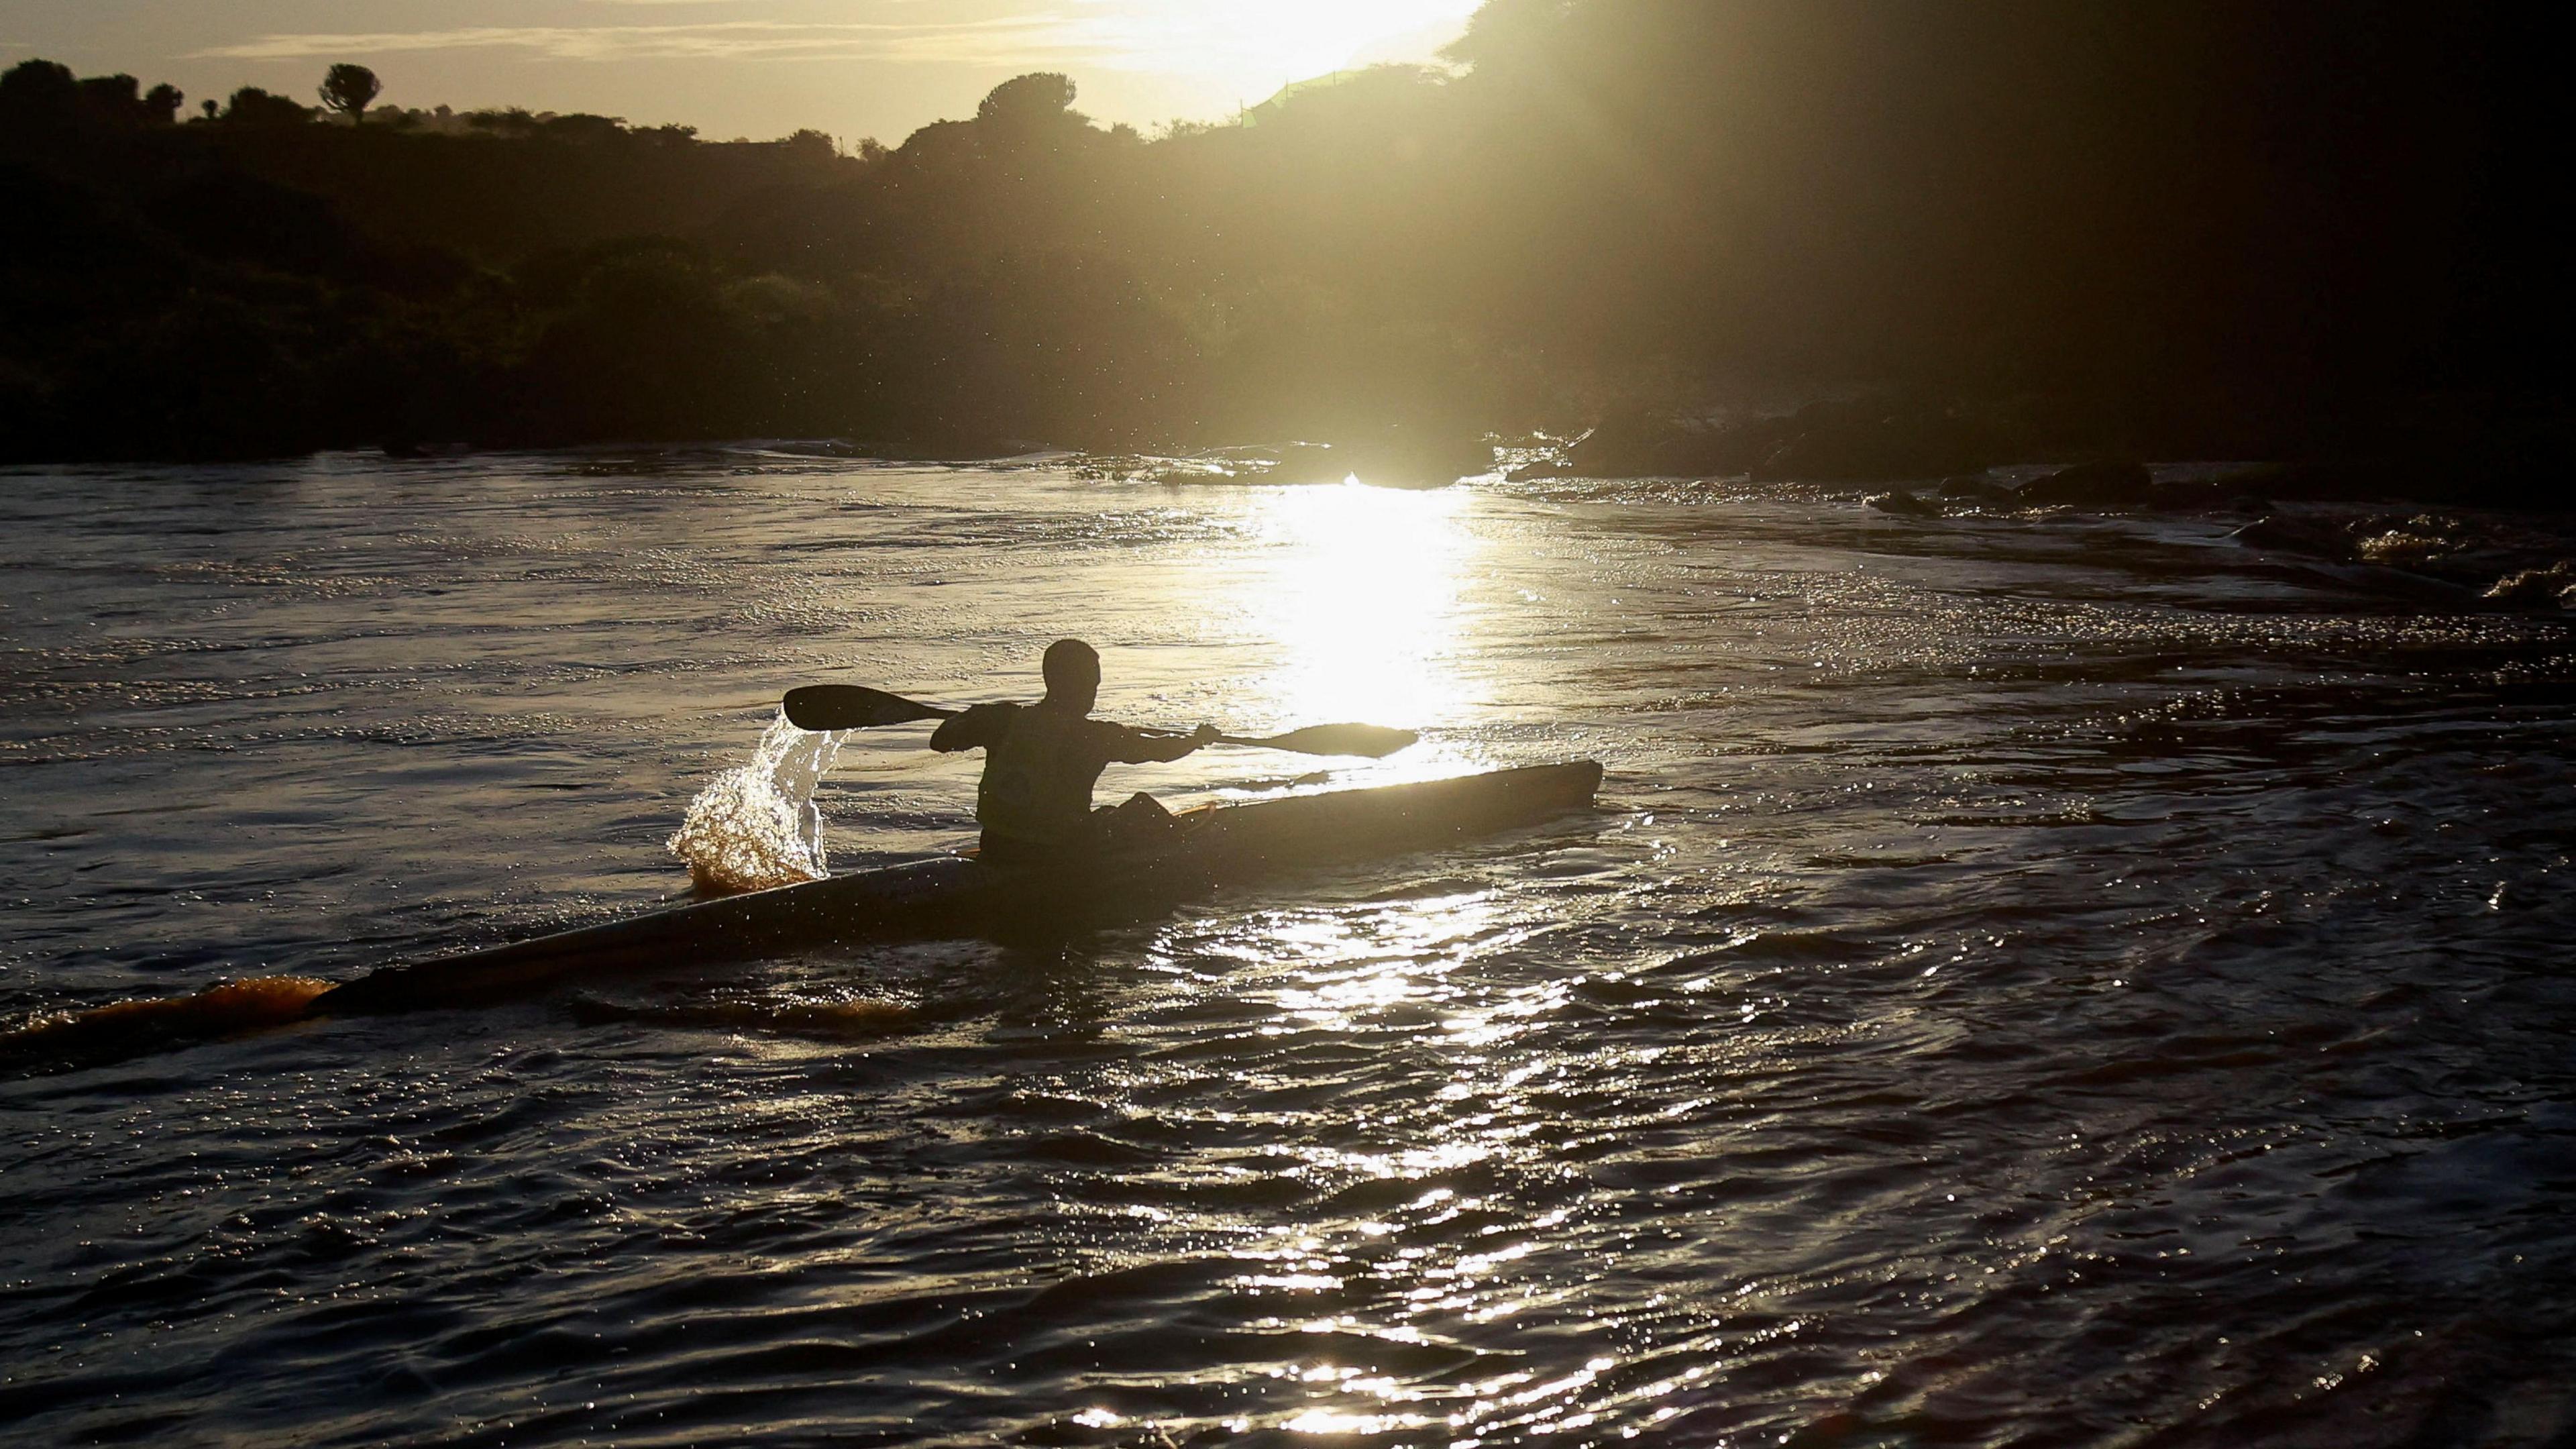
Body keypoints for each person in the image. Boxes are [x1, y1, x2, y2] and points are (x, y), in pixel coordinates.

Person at [930, 639, 1219, 863]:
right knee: (1144, 810)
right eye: (1092, 685)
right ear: (1082, 686)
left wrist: (969, 717)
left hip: (997, 845)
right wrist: (1196, 740)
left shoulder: (1003, 720)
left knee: (1105, 814)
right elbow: (1161, 751)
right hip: (1060, 850)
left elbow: (940, 741)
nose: (1094, 692)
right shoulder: (1094, 736)